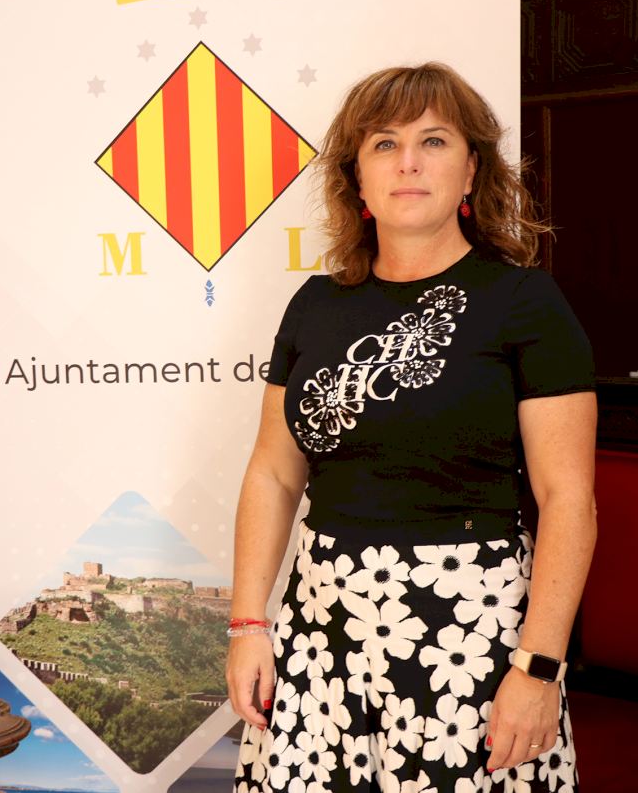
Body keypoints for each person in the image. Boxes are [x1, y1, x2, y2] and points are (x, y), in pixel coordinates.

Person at [225, 63, 597, 793]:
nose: (409, 162)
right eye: (385, 144)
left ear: (471, 171)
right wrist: (247, 625)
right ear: (357, 180)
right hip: (320, 623)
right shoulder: (314, 306)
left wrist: (538, 668)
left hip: (470, 629)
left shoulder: (525, 301)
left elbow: (569, 500)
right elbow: (272, 472)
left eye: (434, 140)